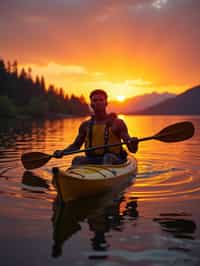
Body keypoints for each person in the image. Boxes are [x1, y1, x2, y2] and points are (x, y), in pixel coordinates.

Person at [53, 89, 138, 165]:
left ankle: (105, 180)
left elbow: (132, 149)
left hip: (115, 160)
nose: (98, 102)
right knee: (77, 159)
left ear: (106, 103)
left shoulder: (117, 123)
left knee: (107, 157)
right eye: (95, 100)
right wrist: (63, 152)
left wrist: (134, 143)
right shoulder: (85, 125)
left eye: (101, 100)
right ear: (91, 104)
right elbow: (76, 146)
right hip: (93, 159)